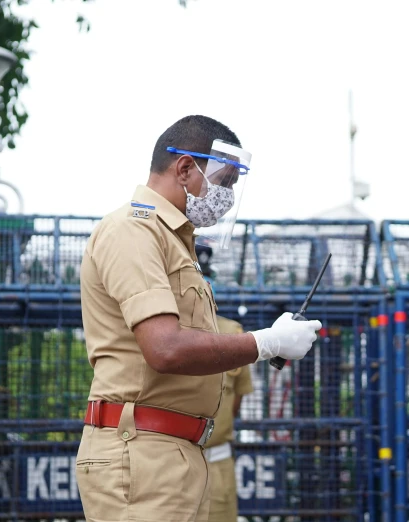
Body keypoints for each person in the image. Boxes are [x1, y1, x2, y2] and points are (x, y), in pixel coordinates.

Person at [75, 115, 321, 522]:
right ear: (185, 167)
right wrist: (267, 343)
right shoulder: (134, 230)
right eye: (222, 182)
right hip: (142, 453)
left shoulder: (173, 241)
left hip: (173, 454)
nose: (225, 196)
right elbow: (166, 348)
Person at [195, 238, 254, 522]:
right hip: (168, 461)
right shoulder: (163, 333)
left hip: (215, 460)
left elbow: (235, 404)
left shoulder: (233, 332)